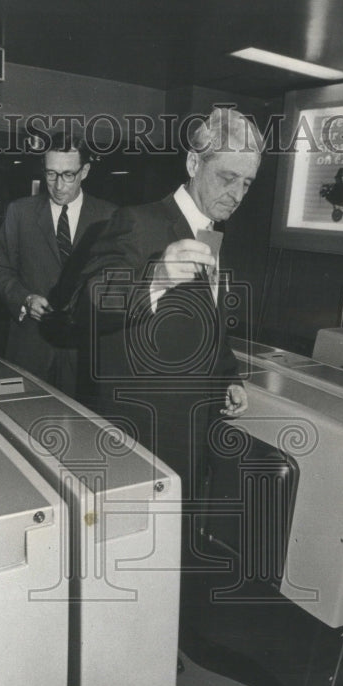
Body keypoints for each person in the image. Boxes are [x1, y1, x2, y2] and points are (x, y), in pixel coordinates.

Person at [77, 106, 263, 500]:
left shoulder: (213, 231)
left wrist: (227, 375)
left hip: (196, 426)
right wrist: (157, 278)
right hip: (145, 429)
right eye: (228, 178)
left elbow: (208, 318)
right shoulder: (137, 221)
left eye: (247, 184)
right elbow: (91, 300)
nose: (237, 195)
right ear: (194, 162)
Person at [0, 131, 116, 393]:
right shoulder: (19, 212)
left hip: (85, 351)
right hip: (30, 347)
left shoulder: (110, 216)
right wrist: (24, 298)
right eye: (50, 174)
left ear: (85, 171)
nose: (58, 185)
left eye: (68, 174)